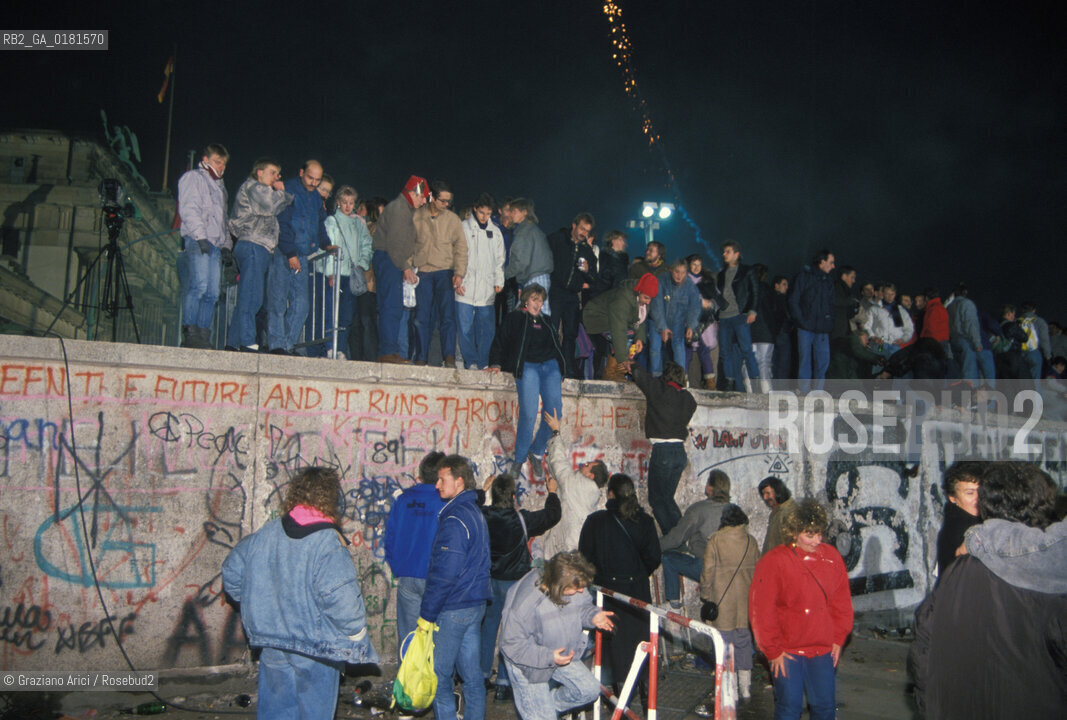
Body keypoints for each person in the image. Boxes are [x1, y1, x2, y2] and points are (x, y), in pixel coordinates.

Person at [909, 462, 1065, 719]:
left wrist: (934, 707)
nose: (975, 499)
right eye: (968, 492)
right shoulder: (1050, 584)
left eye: (978, 492)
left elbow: (925, 646)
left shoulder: (968, 555)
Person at [222, 467, 379, 720]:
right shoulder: (328, 542)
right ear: (330, 499)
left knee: (276, 712)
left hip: (273, 641)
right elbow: (341, 598)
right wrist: (357, 633)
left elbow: (231, 571)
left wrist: (256, 603)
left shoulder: (266, 532)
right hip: (316, 647)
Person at [749, 499, 854, 720]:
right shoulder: (773, 561)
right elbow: (761, 610)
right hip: (788, 652)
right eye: (809, 535)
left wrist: (838, 638)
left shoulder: (831, 558)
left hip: (822, 650)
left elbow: (841, 601)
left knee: (825, 707)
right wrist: (773, 650)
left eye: (819, 534)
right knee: (789, 708)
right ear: (794, 533)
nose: (817, 541)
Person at [498, 552, 616, 720]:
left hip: (557, 651)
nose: (582, 591)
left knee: (589, 690)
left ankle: (544, 709)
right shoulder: (526, 602)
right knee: (542, 716)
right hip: (526, 662)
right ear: (559, 585)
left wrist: (593, 616)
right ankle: (539, 712)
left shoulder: (572, 581)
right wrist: (548, 656)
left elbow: (583, 606)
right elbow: (510, 645)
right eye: (577, 588)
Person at [419, 455, 491, 720]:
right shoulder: (474, 512)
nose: (437, 485)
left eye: (442, 479)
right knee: (472, 677)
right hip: (475, 604)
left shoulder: (455, 518)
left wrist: (426, 614)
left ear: (459, 482)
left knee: (439, 675)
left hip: (454, 607)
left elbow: (444, 574)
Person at [480, 473, 562, 701]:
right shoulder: (522, 520)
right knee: (512, 632)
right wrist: (552, 492)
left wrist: (482, 491)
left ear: (493, 495)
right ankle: (504, 683)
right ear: (514, 497)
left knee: (488, 628)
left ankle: (483, 675)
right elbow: (553, 515)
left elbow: (471, 505)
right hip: (514, 585)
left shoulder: (483, 516)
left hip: (491, 581)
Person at [579, 474, 661, 695]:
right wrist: (637, 572)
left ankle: (615, 698)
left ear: (610, 494)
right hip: (637, 593)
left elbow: (584, 559)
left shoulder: (595, 522)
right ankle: (643, 691)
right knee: (639, 645)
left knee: (613, 652)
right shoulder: (645, 522)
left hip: (608, 595)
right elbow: (654, 557)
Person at [488, 284, 565, 478]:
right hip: (528, 366)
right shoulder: (515, 318)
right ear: (526, 300)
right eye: (534, 299)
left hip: (549, 367)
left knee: (555, 413)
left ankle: (537, 451)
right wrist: (496, 362)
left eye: (540, 300)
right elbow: (500, 340)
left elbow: (557, 346)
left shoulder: (547, 321)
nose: (537, 304)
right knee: (529, 414)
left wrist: (564, 368)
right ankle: (520, 458)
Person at [225, 158, 293, 353]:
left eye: (278, 174)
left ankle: (233, 341)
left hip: (257, 246)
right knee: (252, 296)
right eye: (272, 172)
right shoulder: (255, 187)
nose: (276, 177)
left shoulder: (258, 189)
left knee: (249, 293)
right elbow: (271, 206)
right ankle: (247, 340)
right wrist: (282, 192)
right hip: (253, 244)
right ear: (259, 172)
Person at [383, 451, 445, 657]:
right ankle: (434, 687)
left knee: (409, 639)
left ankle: (407, 687)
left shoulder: (404, 500)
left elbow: (389, 537)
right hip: (437, 578)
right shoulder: (445, 501)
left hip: (408, 575)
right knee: (437, 640)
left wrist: (398, 567)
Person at [699, 504, 760, 703]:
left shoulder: (715, 541)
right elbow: (758, 574)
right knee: (743, 642)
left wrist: (706, 596)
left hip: (722, 602)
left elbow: (707, 572)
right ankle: (746, 688)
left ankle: (730, 689)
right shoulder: (751, 542)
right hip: (745, 602)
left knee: (723, 644)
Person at [267, 160, 328, 355]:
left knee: (301, 304)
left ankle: (288, 343)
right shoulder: (288, 191)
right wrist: (290, 252)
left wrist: (325, 243)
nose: (313, 183)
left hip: (301, 253)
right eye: (310, 178)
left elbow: (319, 223)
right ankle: (276, 343)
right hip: (283, 252)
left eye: (317, 180)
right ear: (301, 172)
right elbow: (282, 224)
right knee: (278, 300)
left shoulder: (316, 198)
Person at [631, 361, 697, 534]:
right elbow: (692, 405)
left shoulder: (659, 390)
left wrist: (631, 365)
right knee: (667, 499)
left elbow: (642, 377)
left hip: (663, 452)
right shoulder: (688, 398)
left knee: (657, 500)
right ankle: (682, 535)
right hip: (680, 453)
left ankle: (674, 537)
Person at [373, 175, 430, 363]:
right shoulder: (399, 210)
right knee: (391, 306)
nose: (424, 201)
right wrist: (405, 267)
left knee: (392, 306)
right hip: (390, 259)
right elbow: (395, 244)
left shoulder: (402, 209)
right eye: (423, 197)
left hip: (390, 260)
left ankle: (389, 349)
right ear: (413, 193)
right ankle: (387, 351)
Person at [178, 143, 230, 349]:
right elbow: (189, 208)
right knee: (198, 286)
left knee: (212, 293)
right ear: (206, 159)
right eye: (218, 161)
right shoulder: (194, 178)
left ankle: (203, 334)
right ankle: (190, 331)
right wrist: (199, 237)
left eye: (224, 164)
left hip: (215, 244)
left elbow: (223, 219)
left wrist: (226, 245)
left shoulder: (220, 186)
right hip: (199, 239)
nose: (222, 167)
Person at [412, 179, 467, 367]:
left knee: (447, 317)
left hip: (445, 272)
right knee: (421, 317)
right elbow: (408, 243)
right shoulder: (417, 216)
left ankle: (449, 356)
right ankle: (420, 357)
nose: (446, 205)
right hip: (424, 272)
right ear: (433, 198)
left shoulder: (453, 219)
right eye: (443, 201)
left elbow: (461, 247)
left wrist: (459, 272)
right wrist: (407, 267)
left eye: (449, 202)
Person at [541, 410, 609, 558]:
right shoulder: (590, 492)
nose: (584, 463)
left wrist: (556, 431)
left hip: (566, 550)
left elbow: (559, 464)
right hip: (576, 549)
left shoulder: (578, 486)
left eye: (588, 464)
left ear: (590, 475)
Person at [660, 469, 731, 607]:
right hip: (732, 570)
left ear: (710, 488)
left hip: (707, 568)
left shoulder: (698, 509)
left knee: (669, 558)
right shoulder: (734, 509)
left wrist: (653, 546)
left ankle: (674, 604)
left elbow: (675, 539)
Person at [320, 185, 373, 359]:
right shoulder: (332, 221)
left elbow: (367, 243)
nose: (348, 206)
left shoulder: (359, 223)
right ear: (338, 203)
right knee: (331, 311)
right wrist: (330, 272)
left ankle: (340, 347)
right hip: (336, 271)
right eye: (344, 202)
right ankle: (330, 347)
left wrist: (361, 263)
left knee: (347, 314)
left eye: (351, 203)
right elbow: (329, 248)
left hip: (351, 273)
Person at [546, 213, 598, 378]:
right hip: (555, 291)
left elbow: (594, 278)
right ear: (574, 225)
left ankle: (567, 367)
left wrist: (587, 270)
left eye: (587, 231)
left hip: (572, 296)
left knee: (571, 333)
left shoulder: (586, 250)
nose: (584, 233)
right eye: (582, 228)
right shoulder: (557, 239)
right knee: (551, 329)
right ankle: (549, 363)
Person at [457, 193, 505, 369]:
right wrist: (458, 279)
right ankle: (471, 361)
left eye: (488, 214)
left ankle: (483, 361)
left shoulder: (496, 232)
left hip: (487, 287)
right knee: (465, 327)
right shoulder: (463, 228)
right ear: (475, 209)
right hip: (465, 285)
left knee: (486, 328)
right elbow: (456, 255)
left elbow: (500, 259)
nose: (485, 217)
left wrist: (499, 280)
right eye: (482, 213)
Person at [582, 274, 657, 382]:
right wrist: (623, 358)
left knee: (631, 337)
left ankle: (619, 372)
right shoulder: (623, 299)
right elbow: (618, 330)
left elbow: (640, 320)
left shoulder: (643, 298)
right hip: (595, 316)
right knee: (627, 336)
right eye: (646, 298)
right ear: (639, 291)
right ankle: (612, 373)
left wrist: (639, 338)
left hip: (613, 319)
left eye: (651, 299)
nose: (648, 302)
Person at [716, 241, 762, 392]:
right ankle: (730, 382)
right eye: (724, 252)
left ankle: (755, 383)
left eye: (727, 251)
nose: (724, 254)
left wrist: (752, 310)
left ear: (736, 254)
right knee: (725, 351)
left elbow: (755, 291)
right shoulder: (721, 274)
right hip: (724, 316)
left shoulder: (747, 271)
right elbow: (719, 294)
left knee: (746, 349)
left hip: (739, 314)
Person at [789, 250, 836, 392]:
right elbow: (793, 300)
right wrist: (801, 321)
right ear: (822, 262)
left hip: (822, 329)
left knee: (823, 362)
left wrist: (829, 322)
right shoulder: (803, 277)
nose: (833, 266)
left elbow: (831, 304)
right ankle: (803, 391)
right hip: (805, 328)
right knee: (805, 360)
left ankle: (818, 392)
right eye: (831, 262)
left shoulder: (828, 281)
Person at [649, 259, 702, 378]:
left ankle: (680, 378)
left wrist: (690, 326)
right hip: (657, 319)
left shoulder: (689, 285)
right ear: (671, 270)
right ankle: (656, 376)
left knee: (678, 347)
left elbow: (695, 307)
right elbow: (657, 305)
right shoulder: (662, 280)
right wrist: (662, 327)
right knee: (655, 349)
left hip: (677, 321)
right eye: (677, 272)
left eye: (683, 272)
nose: (680, 276)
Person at [504, 198, 553, 316]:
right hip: (539, 277)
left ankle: (549, 334)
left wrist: (503, 275)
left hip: (535, 279)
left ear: (524, 212)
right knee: (531, 315)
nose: (511, 214)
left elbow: (520, 261)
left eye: (514, 211)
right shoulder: (532, 229)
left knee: (536, 316)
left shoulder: (524, 231)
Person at [934, 461, 982, 578]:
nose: (977, 498)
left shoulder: (955, 521)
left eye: (981, 491)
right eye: (969, 493)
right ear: (953, 498)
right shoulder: (960, 529)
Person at [759, 476, 796, 553]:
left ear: (778, 492)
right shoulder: (777, 512)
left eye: (768, 493)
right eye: (763, 494)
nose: (765, 497)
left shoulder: (789, 512)